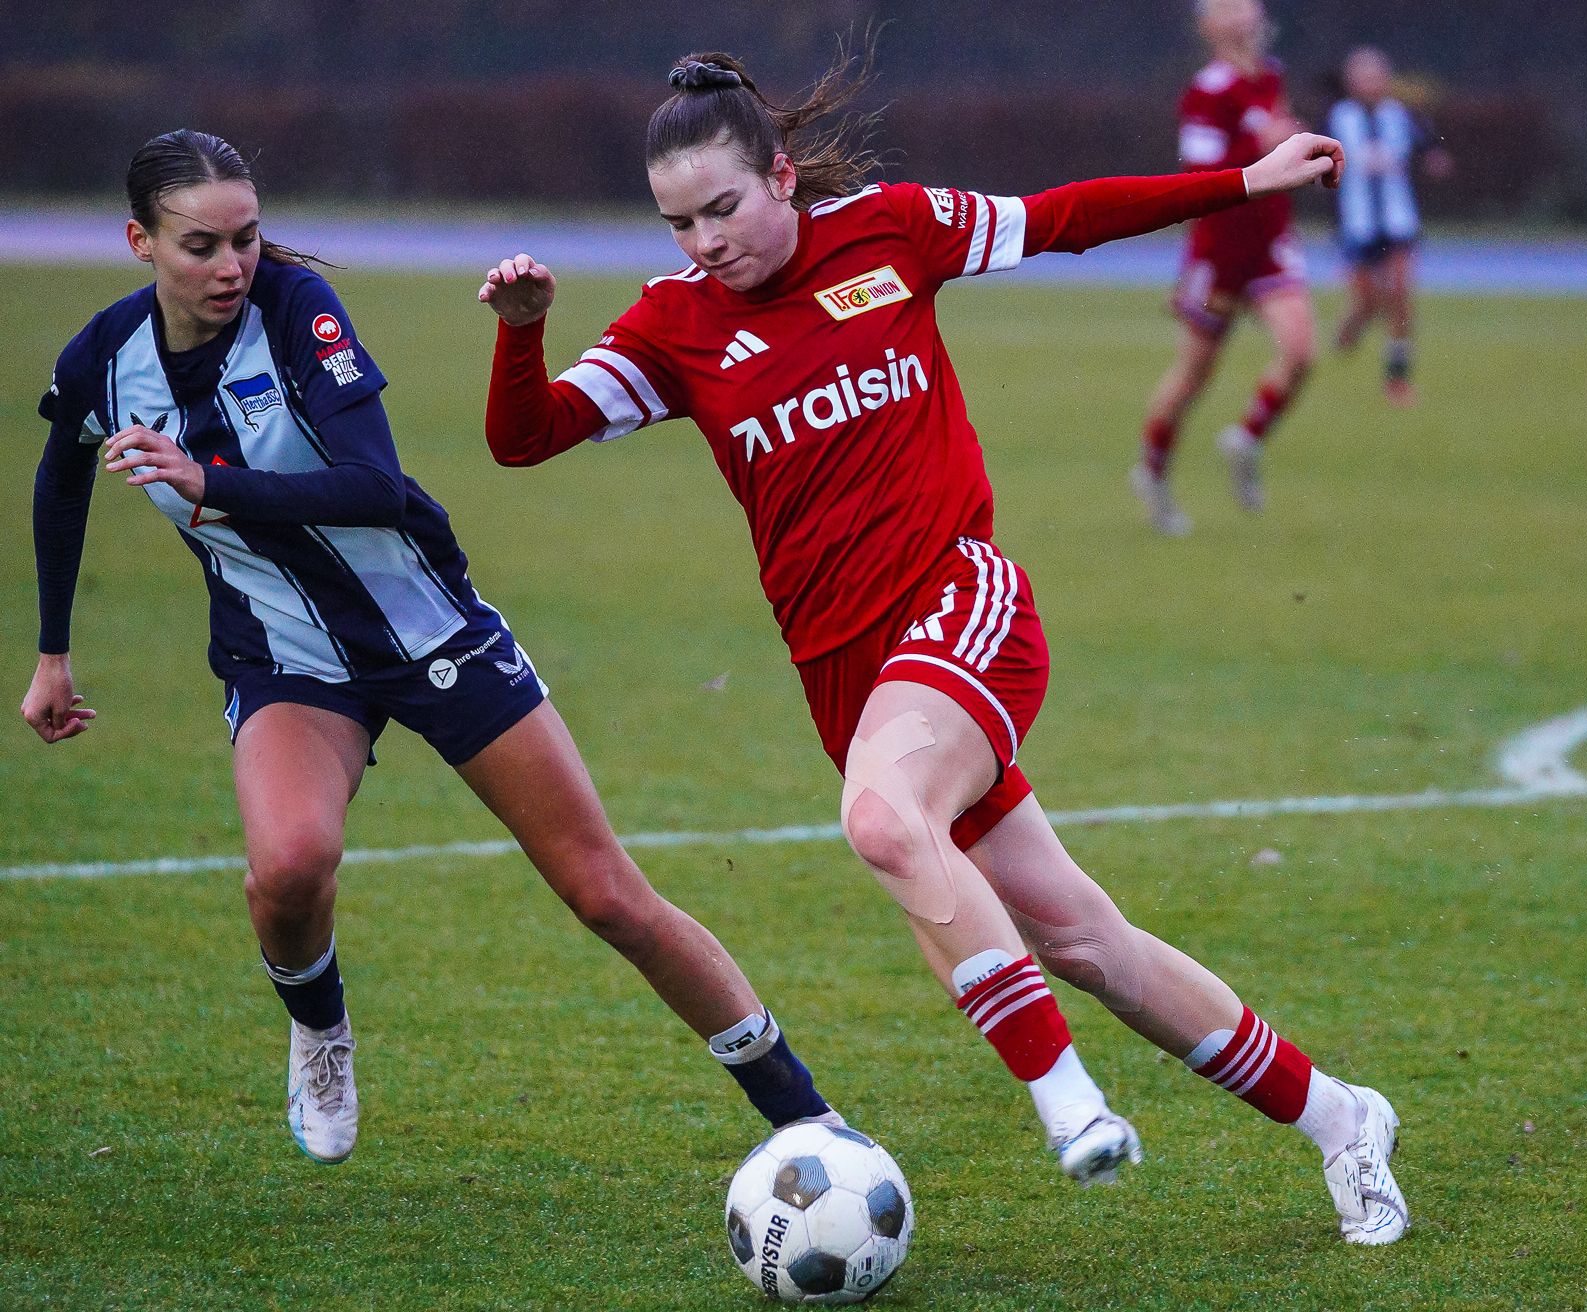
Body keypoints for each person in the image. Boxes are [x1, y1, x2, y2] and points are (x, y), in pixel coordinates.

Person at [477, 50, 1408, 1245]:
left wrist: (1247, 179)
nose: (705, 239)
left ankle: (1069, 1105)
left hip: (961, 606)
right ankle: (1343, 1119)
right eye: (678, 221)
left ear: (783, 177)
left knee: (880, 821)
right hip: (846, 677)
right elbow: (525, 438)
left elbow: (1067, 219)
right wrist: (523, 333)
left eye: (723, 207)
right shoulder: (675, 329)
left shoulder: (889, 233)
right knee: (1083, 938)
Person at [21, 129, 847, 1167]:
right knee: (287, 868)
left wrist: (206, 481)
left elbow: (374, 486)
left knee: (605, 893)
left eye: (246, 238)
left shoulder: (297, 312)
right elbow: (61, 473)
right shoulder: (105, 356)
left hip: (429, 632)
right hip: (285, 656)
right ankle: (320, 1028)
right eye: (201, 246)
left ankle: (810, 1118)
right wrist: (52, 652)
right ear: (139, 240)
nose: (231, 266)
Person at [1133, 0, 1318, 535]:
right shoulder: (1207, 92)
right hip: (1219, 253)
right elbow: (1199, 174)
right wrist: (1257, 147)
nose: (1245, 12)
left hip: (1270, 243)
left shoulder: (1270, 76)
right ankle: (1153, 473)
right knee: (1193, 377)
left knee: (1301, 350)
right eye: (1229, 6)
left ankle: (1246, 439)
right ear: (1209, 26)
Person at [1324, 46, 1451, 406]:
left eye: (1376, 75)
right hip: (1356, 224)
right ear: (1351, 82)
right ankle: (1352, 324)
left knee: (1399, 293)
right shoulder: (1337, 117)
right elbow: (1315, 162)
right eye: (1363, 76)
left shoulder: (1402, 116)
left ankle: (1397, 379)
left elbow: (1430, 147)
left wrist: (1436, 160)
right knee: (1367, 300)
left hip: (1398, 220)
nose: (1370, 83)